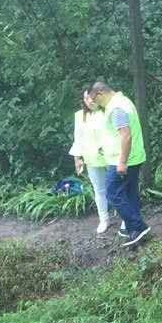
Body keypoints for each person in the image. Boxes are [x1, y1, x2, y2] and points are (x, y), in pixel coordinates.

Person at [89, 82, 150, 247]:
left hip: (123, 161)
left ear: (100, 93)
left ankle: (138, 226)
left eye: (95, 99)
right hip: (133, 157)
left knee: (112, 193)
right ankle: (133, 230)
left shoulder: (116, 108)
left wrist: (121, 162)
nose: (96, 103)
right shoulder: (124, 101)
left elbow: (126, 136)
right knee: (130, 193)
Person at [68, 88, 114, 233]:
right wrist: (77, 159)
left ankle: (126, 218)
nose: (89, 101)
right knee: (99, 190)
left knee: (116, 188)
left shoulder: (108, 111)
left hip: (111, 156)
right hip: (91, 158)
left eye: (91, 98)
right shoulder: (79, 116)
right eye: (86, 99)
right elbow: (78, 139)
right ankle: (104, 220)